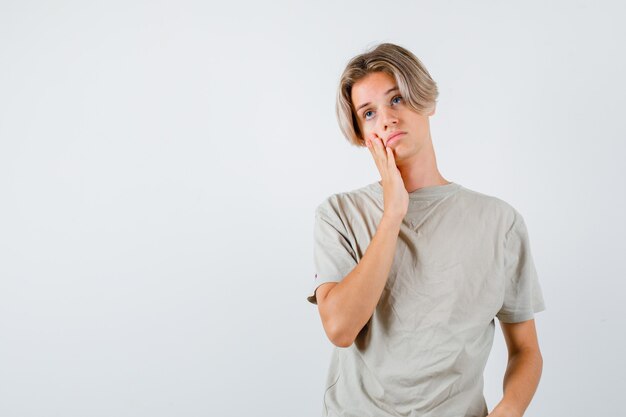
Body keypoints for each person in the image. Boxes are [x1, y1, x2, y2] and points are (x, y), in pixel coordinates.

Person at [306, 43, 546, 417]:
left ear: (427, 102)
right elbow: (340, 328)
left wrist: (508, 411)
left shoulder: (500, 222)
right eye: (368, 113)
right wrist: (393, 214)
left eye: (397, 99)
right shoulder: (339, 214)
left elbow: (526, 350)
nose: (386, 119)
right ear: (359, 134)